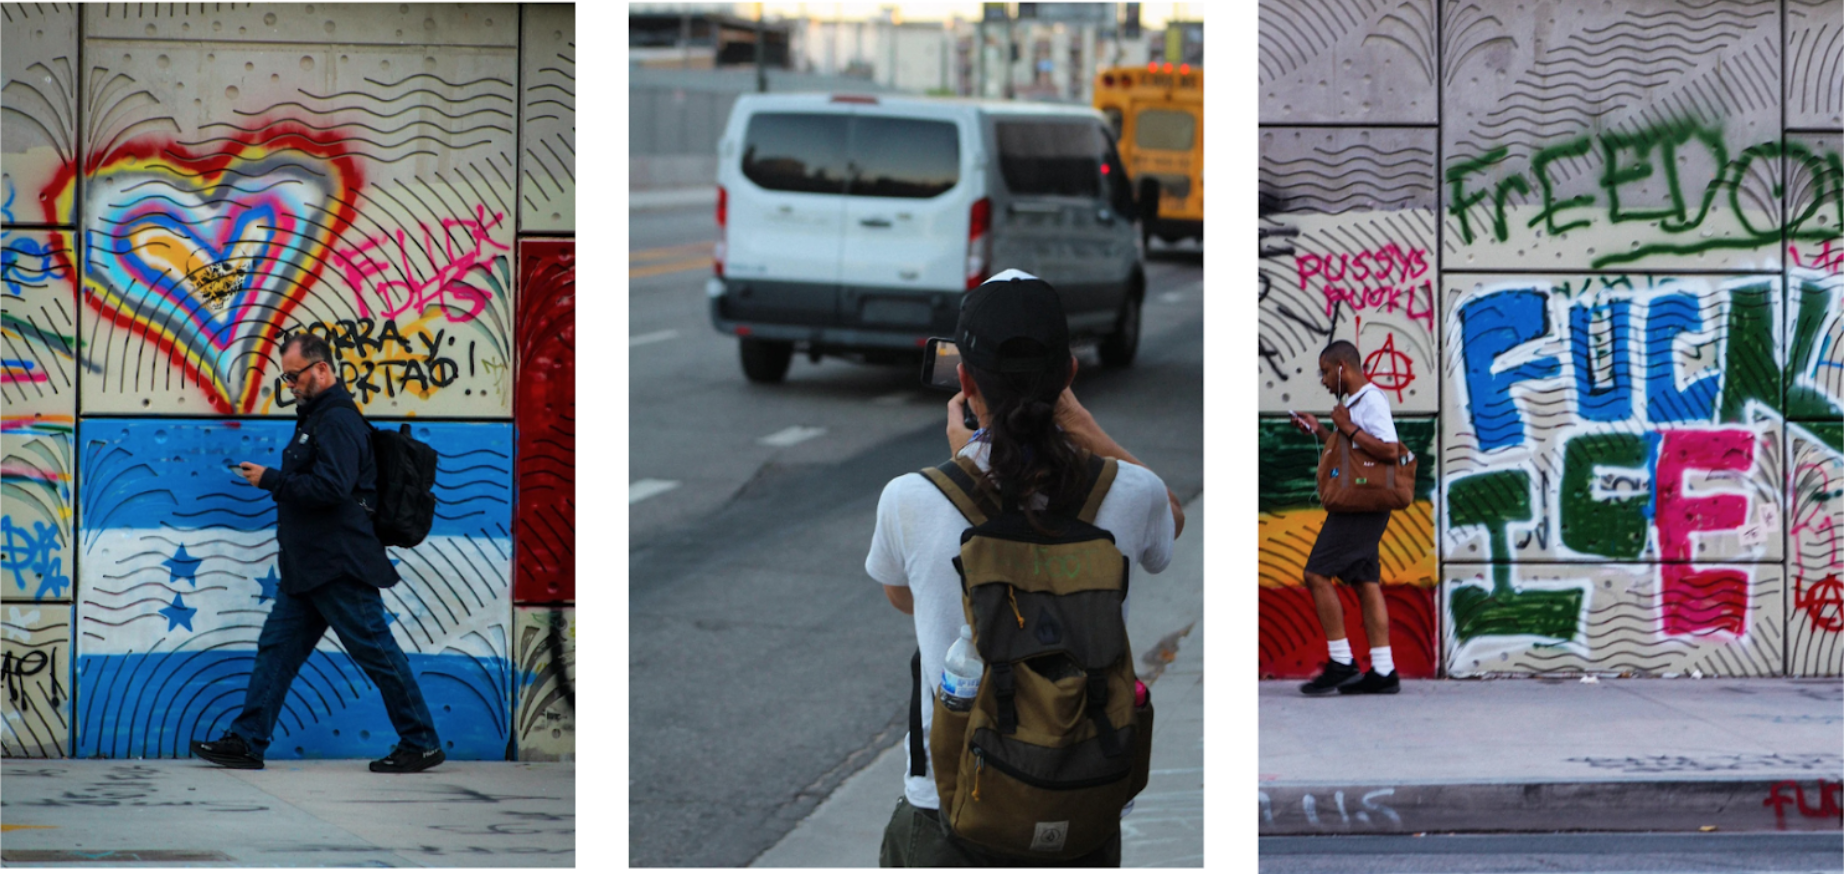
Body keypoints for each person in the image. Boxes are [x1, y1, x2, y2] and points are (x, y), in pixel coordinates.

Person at [866, 271, 1184, 866]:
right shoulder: (1131, 492)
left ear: (963, 379)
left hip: (954, 806)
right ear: (1068, 373)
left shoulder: (910, 498)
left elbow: (903, 596)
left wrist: (967, 461)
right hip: (1084, 801)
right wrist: (1082, 424)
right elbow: (1171, 517)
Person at [189, 333, 445, 772]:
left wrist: (271, 479)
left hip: (339, 564)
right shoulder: (316, 419)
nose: (289, 384)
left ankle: (420, 741)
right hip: (309, 566)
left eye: (294, 375)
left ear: (321, 370)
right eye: (284, 377)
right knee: (278, 650)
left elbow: (331, 487)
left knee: (378, 653)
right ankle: (247, 741)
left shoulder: (338, 421)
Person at [1289, 339, 1403, 695]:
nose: (1323, 381)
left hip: (1363, 505)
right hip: (1362, 503)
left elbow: (1389, 449)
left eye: (1325, 372)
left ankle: (1342, 661)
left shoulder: (1369, 400)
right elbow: (1352, 454)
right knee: (1365, 582)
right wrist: (1321, 431)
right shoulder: (1351, 404)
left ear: (1343, 368)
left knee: (1316, 574)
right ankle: (1383, 671)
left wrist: (1347, 427)